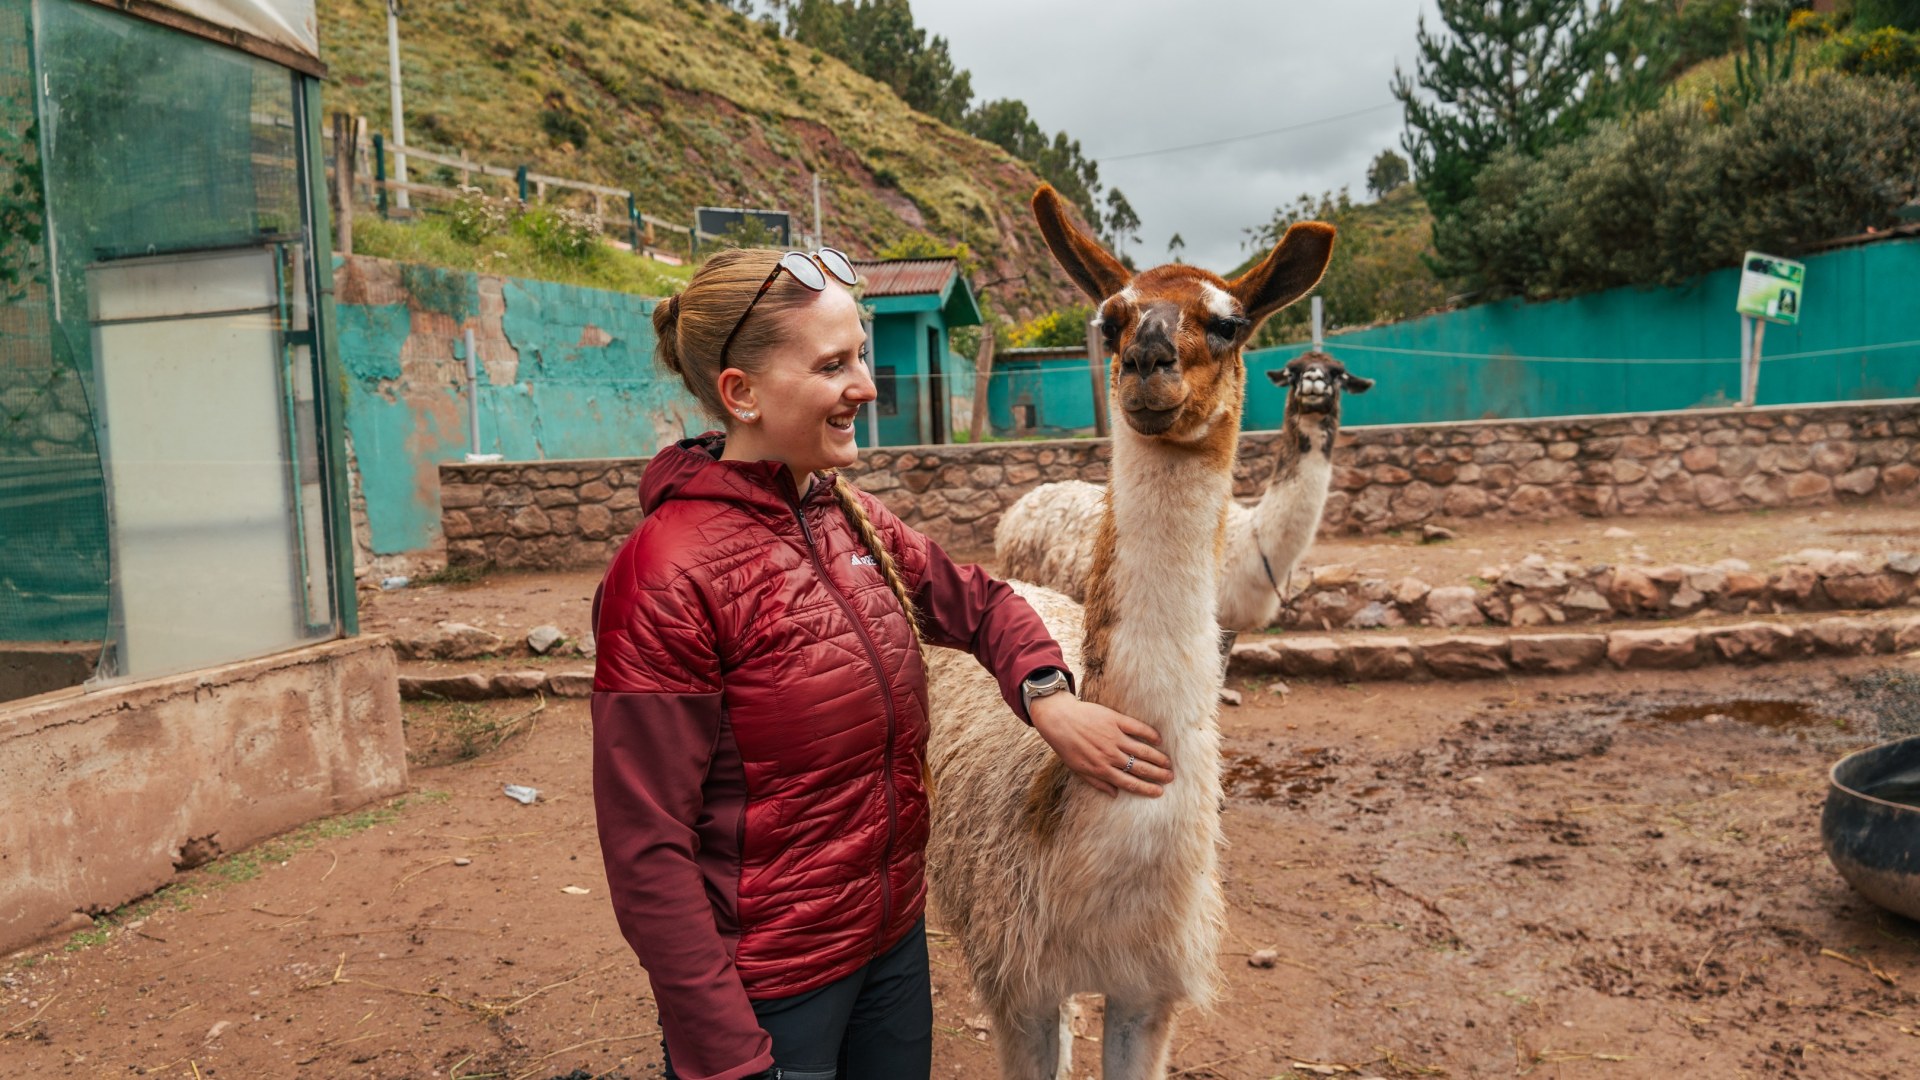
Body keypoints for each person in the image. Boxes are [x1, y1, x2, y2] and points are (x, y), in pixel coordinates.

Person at [591, 247, 1175, 1080]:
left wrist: (1047, 695)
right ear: (740, 393)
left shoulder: (846, 518)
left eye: (861, 354)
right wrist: (725, 1057)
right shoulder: (666, 577)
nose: (865, 385)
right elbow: (646, 848)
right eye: (835, 364)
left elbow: (977, 600)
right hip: (771, 988)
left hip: (888, 948)